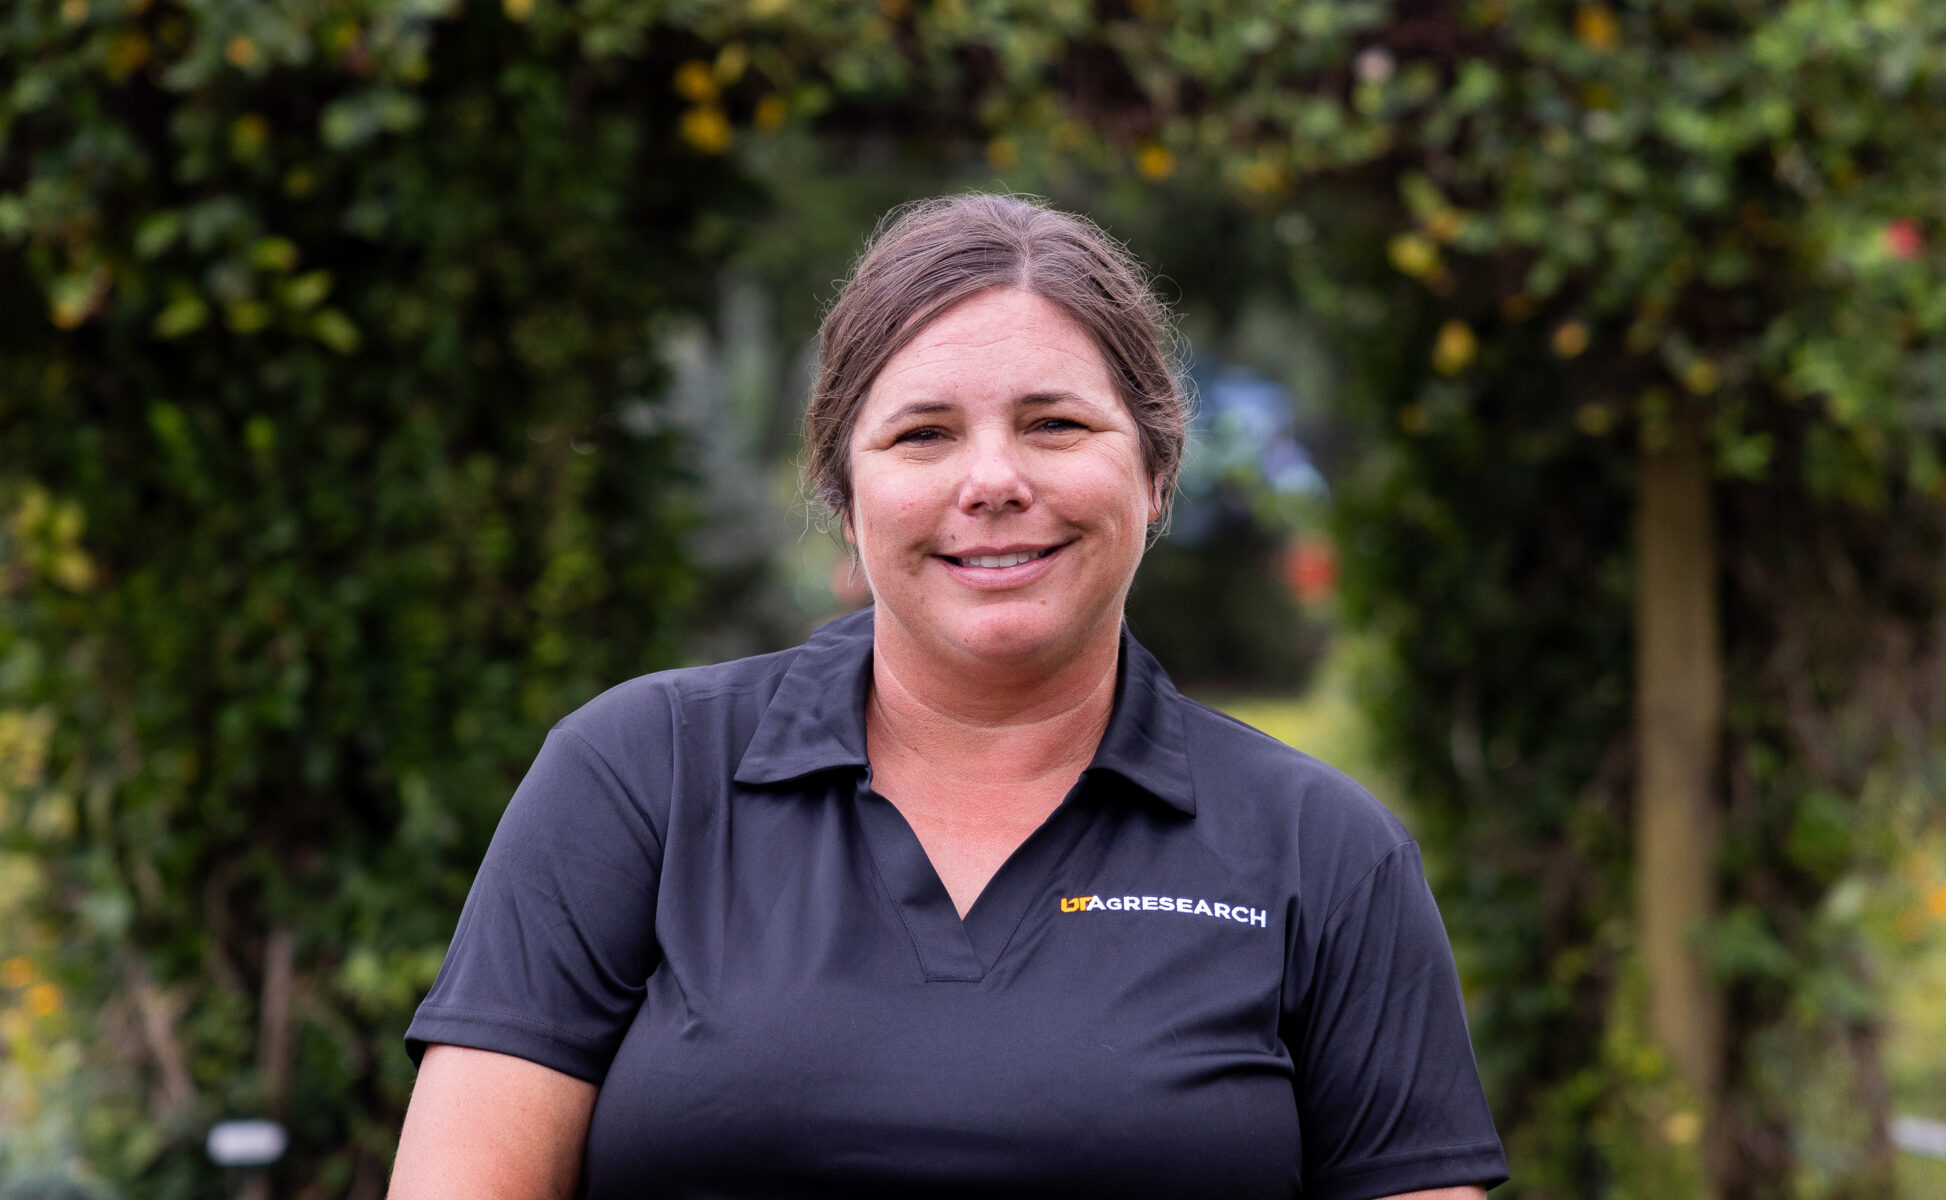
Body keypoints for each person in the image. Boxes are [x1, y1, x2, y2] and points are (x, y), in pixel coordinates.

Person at [388, 193, 1507, 1199]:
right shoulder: (638, 776)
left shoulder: (1322, 852)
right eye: (923, 434)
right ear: (843, 492)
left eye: (1053, 425)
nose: (992, 483)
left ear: (1156, 474)